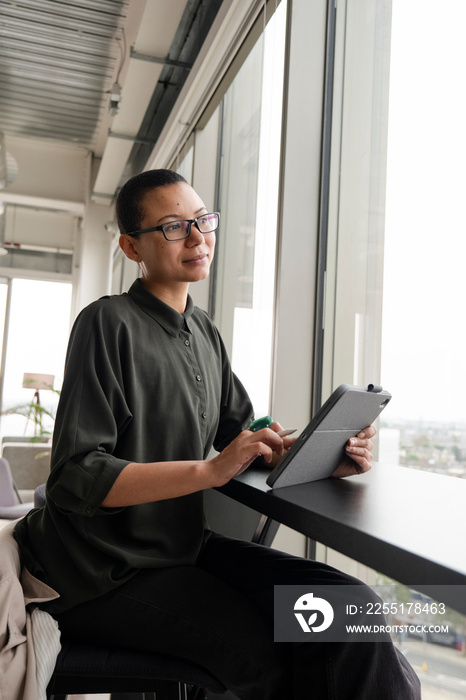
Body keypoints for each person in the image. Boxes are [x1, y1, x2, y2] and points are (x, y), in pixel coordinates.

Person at [14, 169, 420, 699]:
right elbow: (75, 476)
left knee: (351, 611)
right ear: (131, 246)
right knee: (269, 656)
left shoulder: (204, 330)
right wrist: (209, 470)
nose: (198, 236)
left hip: (184, 549)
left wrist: (319, 454)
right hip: (102, 571)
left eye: (203, 220)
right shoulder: (106, 323)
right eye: (174, 227)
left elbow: (247, 434)